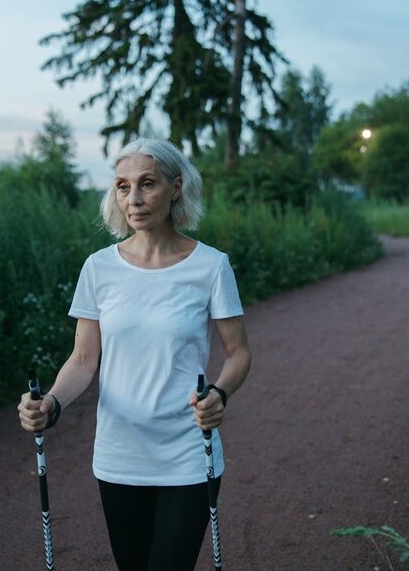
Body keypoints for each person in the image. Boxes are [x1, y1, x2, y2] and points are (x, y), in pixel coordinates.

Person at [18, 138, 251, 571]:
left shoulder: (211, 266)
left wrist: (219, 393)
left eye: (147, 184)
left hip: (187, 451)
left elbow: (238, 354)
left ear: (175, 188)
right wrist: (51, 403)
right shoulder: (99, 268)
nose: (134, 199)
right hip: (120, 453)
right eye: (123, 187)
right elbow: (83, 359)